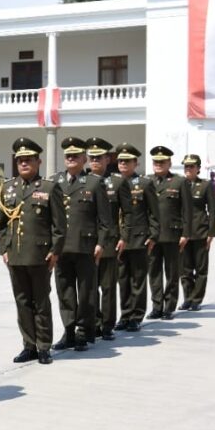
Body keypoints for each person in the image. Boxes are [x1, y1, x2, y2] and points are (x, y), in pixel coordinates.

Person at [0, 137, 65, 365]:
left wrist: (55, 251)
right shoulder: (7, 188)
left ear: (38, 161)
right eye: (20, 160)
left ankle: (44, 346)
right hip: (15, 255)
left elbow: (59, 226)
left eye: (28, 160)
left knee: (41, 301)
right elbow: (2, 225)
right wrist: (4, 248)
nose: (24, 164)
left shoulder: (48, 188)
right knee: (22, 301)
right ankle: (29, 345)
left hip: (39, 255)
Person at [51, 137, 112, 351]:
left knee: (86, 293)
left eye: (75, 155)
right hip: (61, 248)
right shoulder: (55, 182)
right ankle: (68, 332)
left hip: (86, 247)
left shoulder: (94, 183)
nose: (71, 158)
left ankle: (83, 333)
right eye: (67, 155)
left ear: (84, 159)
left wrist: (101, 244)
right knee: (65, 291)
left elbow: (105, 220)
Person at [114, 144, 159, 332]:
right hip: (118, 239)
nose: (123, 163)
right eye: (120, 160)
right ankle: (124, 315)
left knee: (138, 279)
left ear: (136, 163)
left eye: (127, 161)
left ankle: (136, 316)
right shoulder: (112, 183)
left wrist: (154, 235)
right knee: (122, 280)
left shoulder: (144, 184)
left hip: (139, 238)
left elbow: (154, 213)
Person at [147, 146, 192, 321]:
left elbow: (187, 210)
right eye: (155, 162)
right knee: (154, 272)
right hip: (152, 235)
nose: (158, 165)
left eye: (162, 162)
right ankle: (156, 306)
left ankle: (169, 307)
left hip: (172, 235)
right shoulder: (147, 181)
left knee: (172, 273)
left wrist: (185, 234)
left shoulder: (179, 182)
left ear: (169, 163)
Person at [85, 137, 123, 341]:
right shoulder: (83, 181)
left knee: (107, 287)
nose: (95, 161)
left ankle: (108, 325)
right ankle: (95, 322)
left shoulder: (117, 181)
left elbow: (129, 212)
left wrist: (123, 237)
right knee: (90, 287)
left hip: (109, 242)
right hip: (88, 242)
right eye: (91, 157)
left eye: (98, 157)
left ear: (107, 158)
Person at [180, 154, 215, 312]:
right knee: (185, 269)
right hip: (183, 233)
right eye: (186, 166)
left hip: (200, 231)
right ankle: (188, 298)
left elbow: (212, 210)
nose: (188, 169)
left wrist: (211, 233)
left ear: (198, 168)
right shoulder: (179, 184)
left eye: (191, 166)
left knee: (200, 269)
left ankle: (197, 299)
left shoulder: (205, 185)